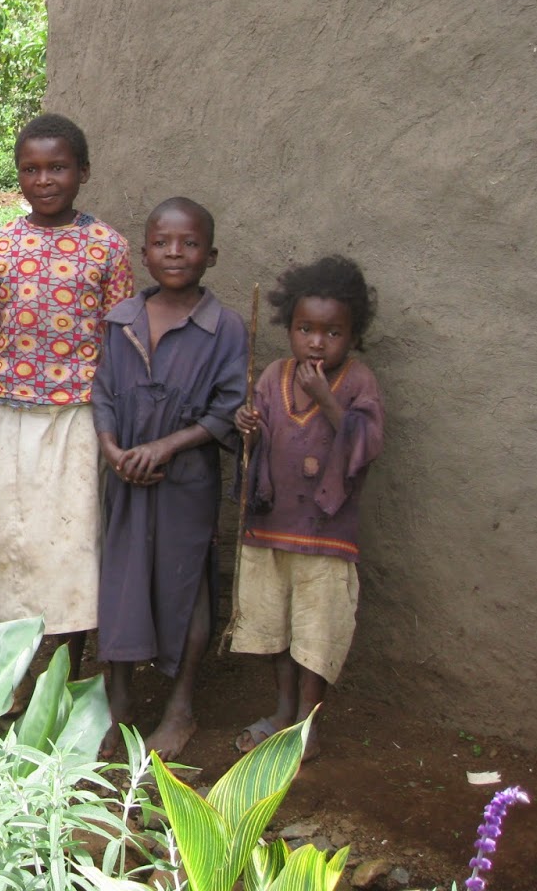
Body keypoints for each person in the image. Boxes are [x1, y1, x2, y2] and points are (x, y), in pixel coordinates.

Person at [0, 114, 135, 676]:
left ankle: (71, 674)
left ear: (82, 171)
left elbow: (122, 346)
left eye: (57, 167)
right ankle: (16, 677)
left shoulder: (108, 248)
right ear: (18, 176)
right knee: (12, 550)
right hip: (8, 422)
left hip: (81, 424)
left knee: (75, 551)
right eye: (31, 169)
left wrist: (118, 428)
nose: (45, 179)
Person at [92, 197, 247, 759]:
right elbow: (103, 392)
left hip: (184, 481)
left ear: (211, 254)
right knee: (121, 581)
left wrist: (165, 446)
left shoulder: (224, 327)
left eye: (189, 243)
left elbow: (228, 408)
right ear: (144, 252)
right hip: (126, 479)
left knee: (186, 584)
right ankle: (118, 703)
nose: (175, 253)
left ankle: (180, 707)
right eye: (162, 243)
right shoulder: (122, 319)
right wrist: (112, 448)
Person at [231, 256, 383, 761]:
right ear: (289, 327)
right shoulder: (274, 374)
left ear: (353, 335)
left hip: (325, 537)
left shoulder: (357, 382)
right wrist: (249, 428)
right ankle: (282, 710)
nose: (317, 342)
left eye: (332, 332)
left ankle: (308, 723)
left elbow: (367, 443)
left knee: (317, 634)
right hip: (271, 532)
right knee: (272, 626)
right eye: (305, 329)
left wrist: (327, 399)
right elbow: (260, 446)